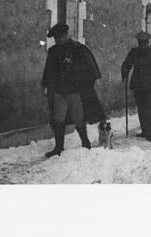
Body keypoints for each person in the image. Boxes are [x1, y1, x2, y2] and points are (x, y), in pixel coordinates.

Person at [41, 23, 105, 158]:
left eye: (60, 37)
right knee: (58, 119)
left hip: (75, 91)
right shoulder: (53, 51)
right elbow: (48, 71)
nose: (58, 40)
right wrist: (47, 86)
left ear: (66, 35)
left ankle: (86, 143)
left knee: (78, 118)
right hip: (59, 91)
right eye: (56, 38)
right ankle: (58, 148)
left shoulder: (78, 49)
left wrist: (85, 83)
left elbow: (90, 67)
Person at [122, 31, 151, 142]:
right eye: (141, 42)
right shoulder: (134, 52)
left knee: (149, 109)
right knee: (141, 108)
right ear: (138, 42)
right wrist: (125, 72)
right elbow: (127, 63)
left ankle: (149, 133)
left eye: (145, 43)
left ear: (148, 42)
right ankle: (144, 131)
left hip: (150, 85)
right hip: (138, 85)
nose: (143, 45)